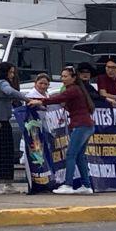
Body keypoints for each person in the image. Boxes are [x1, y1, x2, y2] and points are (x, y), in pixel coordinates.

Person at [30, 66, 95, 196]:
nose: (63, 79)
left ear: (74, 78)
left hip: (80, 126)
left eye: (66, 76)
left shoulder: (73, 89)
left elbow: (57, 99)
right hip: (86, 125)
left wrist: (39, 101)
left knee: (71, 155)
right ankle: (86, 185)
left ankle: (68, 184)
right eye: (62, 76)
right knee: (79, 156)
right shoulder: (76, 89)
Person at [0, 61, 26, 194]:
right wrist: (28, 99)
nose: (12, 75)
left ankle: (8, 182)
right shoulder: (2, 83)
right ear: (5, 72)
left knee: (8, 152)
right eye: (11, 72)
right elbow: (10, 92)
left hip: (4, 121)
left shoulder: (2, 83)